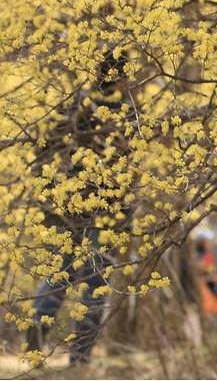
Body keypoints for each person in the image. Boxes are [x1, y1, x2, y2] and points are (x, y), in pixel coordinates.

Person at [27, 53, 136, 365]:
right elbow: (129, 165)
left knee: (57, 278)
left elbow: (46, 152)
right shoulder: (126, 111)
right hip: (104, 212)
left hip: (62, 208)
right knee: (95, 285)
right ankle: (80, 360)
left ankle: (34, 353)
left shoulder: (71, 104)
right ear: (122, 75)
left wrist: (48, 200)